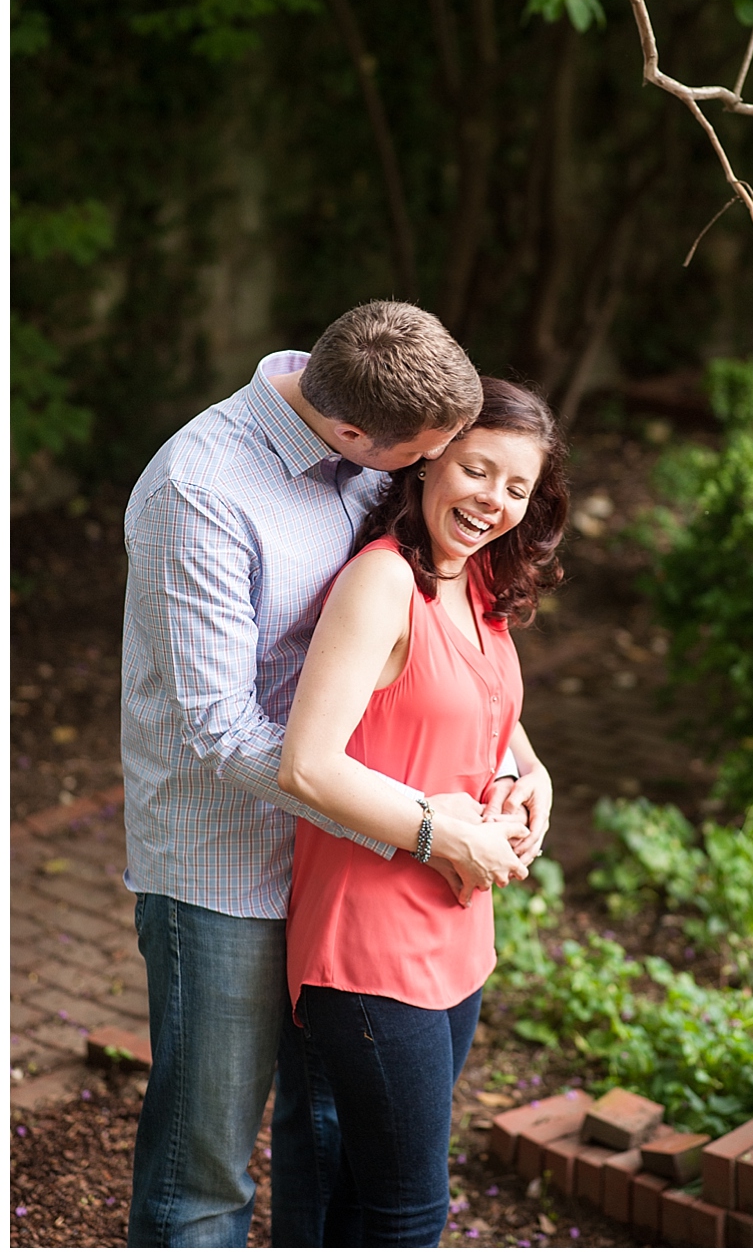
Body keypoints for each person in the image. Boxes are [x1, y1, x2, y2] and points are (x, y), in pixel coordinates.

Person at [121, 302, 554, 1247]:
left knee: (325, 1144)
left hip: (355, 870)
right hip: (228, 868)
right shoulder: (198, 490)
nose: (440, 477)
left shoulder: (373, 425)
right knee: (205, 1170)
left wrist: (518, 763)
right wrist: (421, 826)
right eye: (429, 459)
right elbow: (220, 730)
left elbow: (437, 641)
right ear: (357, 435)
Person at [278, 377, 568, 1247]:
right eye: (479, 471)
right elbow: (306, 764)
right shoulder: (381, 586)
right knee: (409, 1211)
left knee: (368, 1197)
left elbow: (487, 708)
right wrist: (446, 832)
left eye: (517, 488)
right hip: (370, 948)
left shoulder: (474, 581)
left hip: (456, 938)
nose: (494, 502)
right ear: (432, 457)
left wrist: (533, 773)